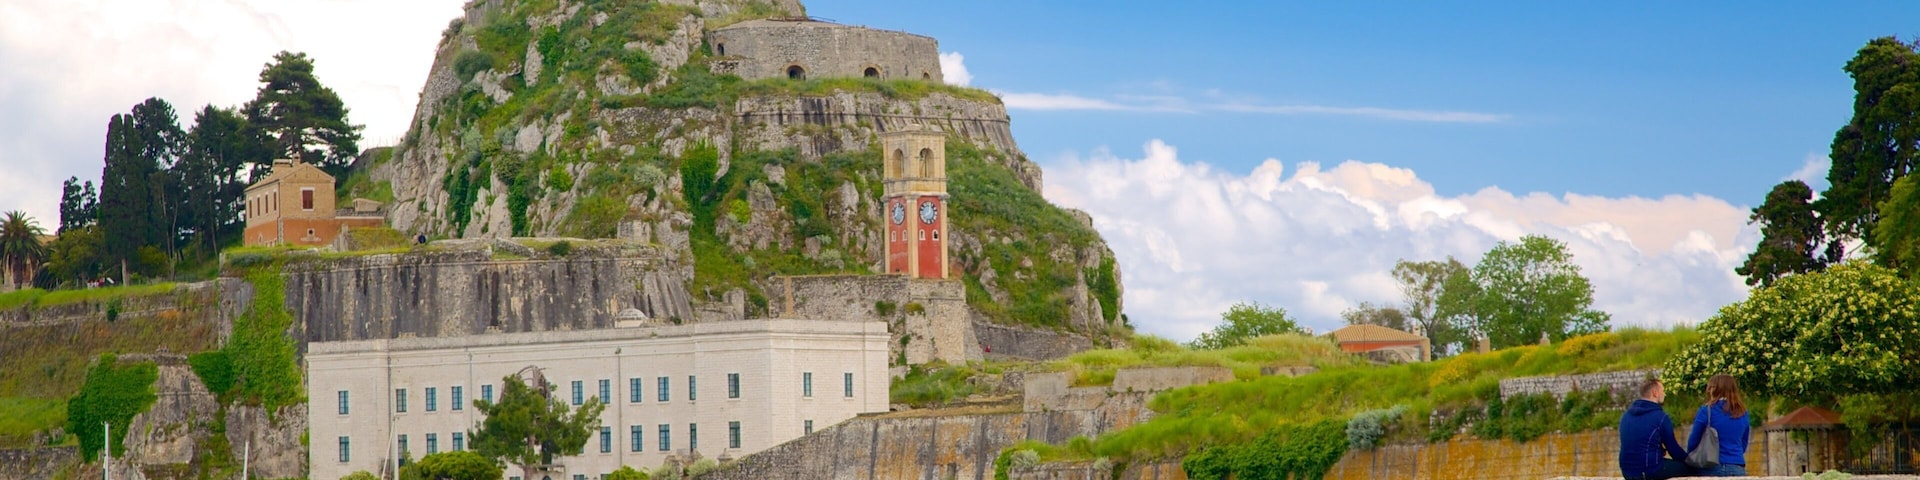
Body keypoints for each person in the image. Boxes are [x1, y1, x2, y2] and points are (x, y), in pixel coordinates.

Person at [1619, 377, 1692, 479]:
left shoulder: (1626, 415)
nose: (1665, 394)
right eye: (1663, 391)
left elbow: (1636, 442)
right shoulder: (1660, 417)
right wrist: (1691, 461)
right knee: (1690, 470)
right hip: (1649, 470)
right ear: (1655, 393)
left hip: (1627, 471)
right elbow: (1674, 450)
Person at [1688, 374, 1751, 476]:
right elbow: (1744, 442)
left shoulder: (1706, 411)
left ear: (1715, 389)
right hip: (1737, 466)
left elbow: (1693, 440)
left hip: (1711, 466)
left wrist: (1691, 456)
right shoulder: (1743, 413)